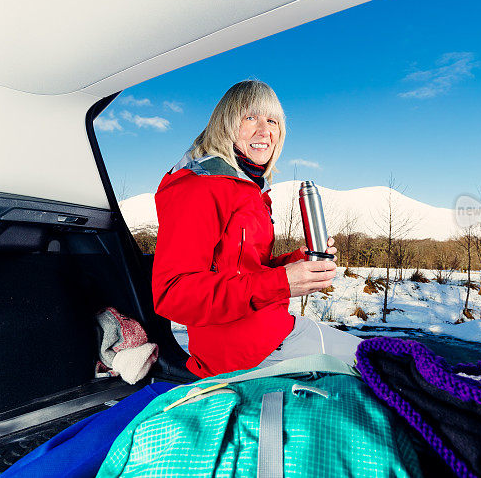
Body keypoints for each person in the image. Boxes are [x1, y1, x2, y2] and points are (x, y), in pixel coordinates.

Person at [152, 80, 361, 377]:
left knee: (394, 361)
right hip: (241, 354)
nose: (264, 131)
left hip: (273, 332)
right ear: (226, 125)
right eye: (250, 117)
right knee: (390, 367)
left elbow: (241, 270)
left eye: (272, 120)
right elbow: (173, 294)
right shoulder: (199, 188)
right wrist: (282, 282)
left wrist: (293, 264)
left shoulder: (247, 188)